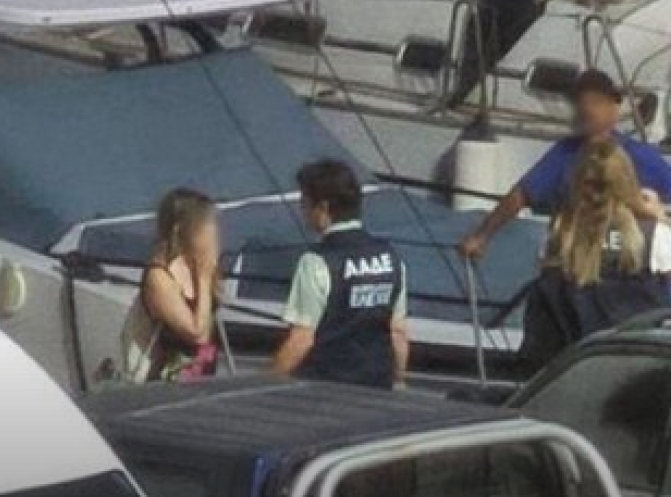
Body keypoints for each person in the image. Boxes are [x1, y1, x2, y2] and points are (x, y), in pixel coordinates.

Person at [459, 70, 671, 261]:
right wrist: (482, 236)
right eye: (581, 103)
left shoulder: (644, 158)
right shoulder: (565, 153)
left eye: (595, 102)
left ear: (613, 107)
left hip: (630, 264)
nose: (587, 109)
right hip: (578, 260)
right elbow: (522, 194)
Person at [518, 140, 671, 373]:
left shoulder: (559, 236)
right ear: (628, 183)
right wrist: (659, 215)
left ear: (577, 183)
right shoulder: (654, 236)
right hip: (634, 373)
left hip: (568, 371)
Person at [273, 160, 408, 389]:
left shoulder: (316, 261)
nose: (302, 212)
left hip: (326, 386)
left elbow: (301, 339)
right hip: (376, 383)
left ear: (323, 208)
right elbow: (398, 332)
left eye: (305, 204)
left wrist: (265, 380)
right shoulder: (391, 258)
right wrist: (399, 380)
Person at [121, 189, 221, 383]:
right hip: (168, 379)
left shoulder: (198, 267)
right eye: (206, 224)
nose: (213, 231)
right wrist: (204, 279)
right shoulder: (160, 276)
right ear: (184, 229)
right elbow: (197, 334)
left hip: (202, 375)